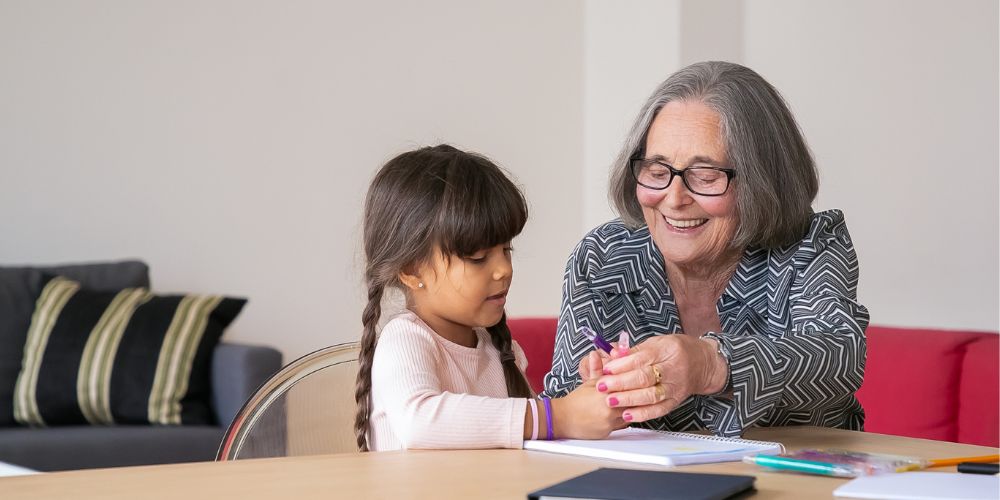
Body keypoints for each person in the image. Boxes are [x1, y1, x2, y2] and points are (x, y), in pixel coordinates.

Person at [543, 61, 870, 438]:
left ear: (761, 181)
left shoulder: (810, 244)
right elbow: (567, 406)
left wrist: (711, 364)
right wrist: (597, 394)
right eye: (656, 169)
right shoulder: (605, 255)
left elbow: (838, 358)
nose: (674, 198)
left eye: (706, 176)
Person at [354, 144, 623, 452]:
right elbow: (421, 422)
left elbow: (529, 439)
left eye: (506, 250)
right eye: (479, 257)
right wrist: (556, 417)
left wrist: (592, 398)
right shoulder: (406, 339)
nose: (503, 270)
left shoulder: (499, 350)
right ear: (412, 270)